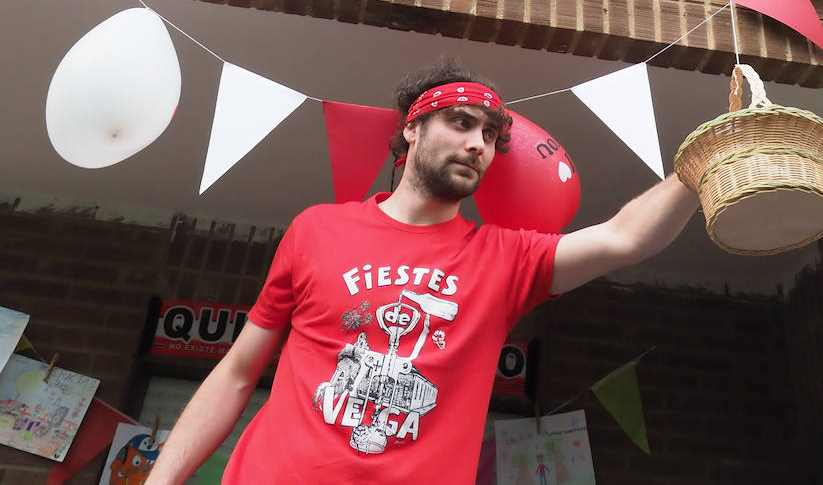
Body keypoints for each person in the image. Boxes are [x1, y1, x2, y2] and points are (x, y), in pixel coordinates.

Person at [146, 61, 699, 485]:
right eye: (461, 122)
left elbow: (627, 237)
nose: (478, 144)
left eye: (490, 135)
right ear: (413, 128)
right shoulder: (316, 229)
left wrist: (700, 165)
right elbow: (239, 372)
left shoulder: (505, 259)